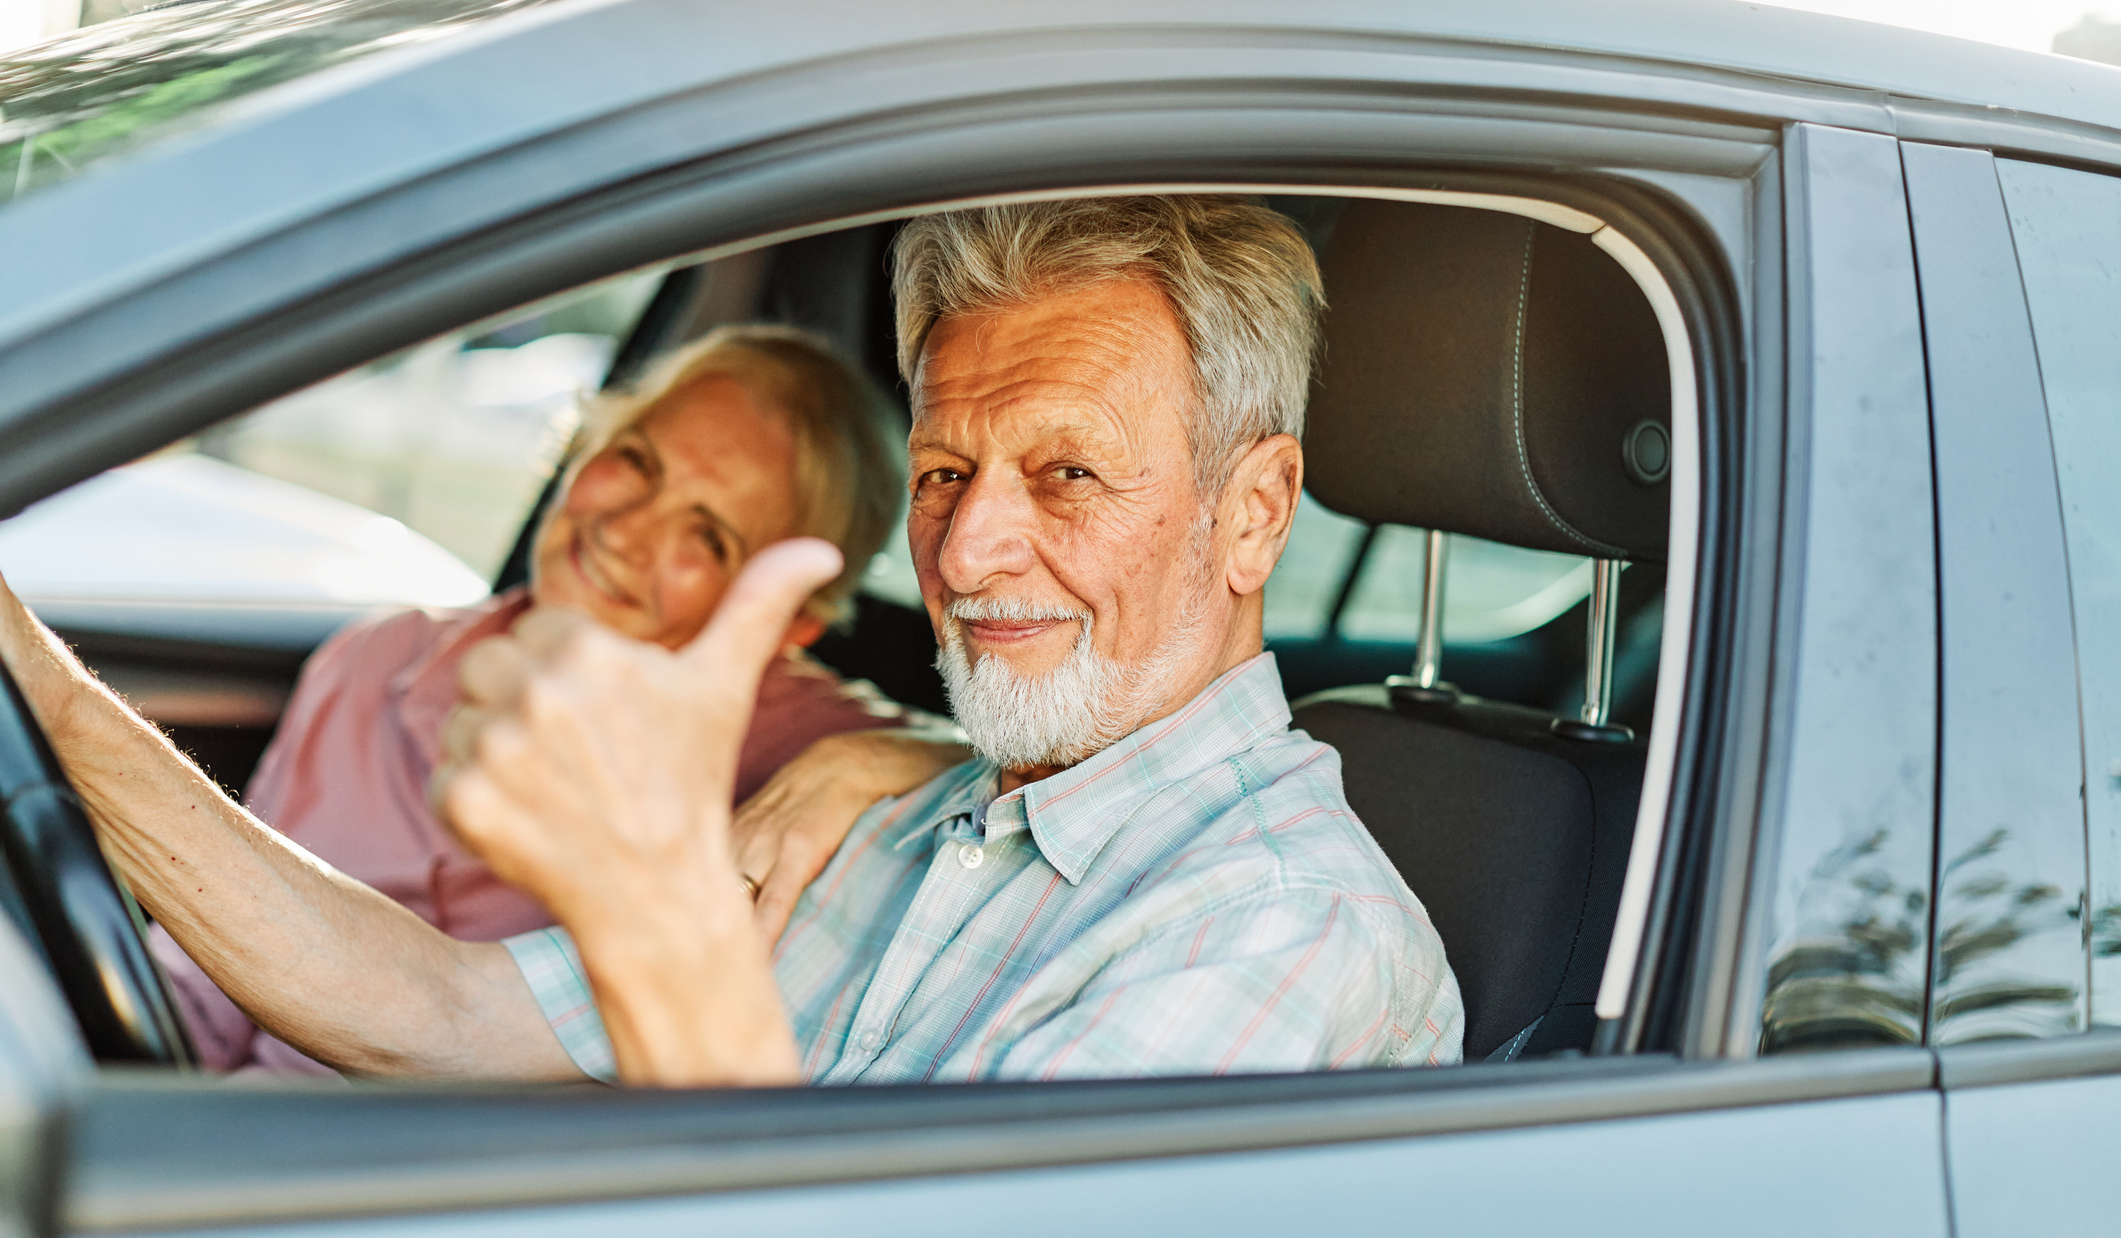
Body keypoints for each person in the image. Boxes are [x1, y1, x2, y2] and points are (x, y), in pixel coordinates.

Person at [0, 193, 1462, 1086]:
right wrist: (37, 685)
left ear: (1256, 512)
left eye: (1067, 474)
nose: (962, 551)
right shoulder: (919, 820)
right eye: (946, 473)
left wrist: (660, 925)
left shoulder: (1281, 928)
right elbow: (436, 1006)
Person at [153, 325, 949, 1074]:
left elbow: (1004, 768)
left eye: (707, 536)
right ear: (582, 446)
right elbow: (197, 1001)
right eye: (636, 461)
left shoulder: (800, 745)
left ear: (790, 624)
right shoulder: (374, 657)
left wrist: (860, 760)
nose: (628, 532)